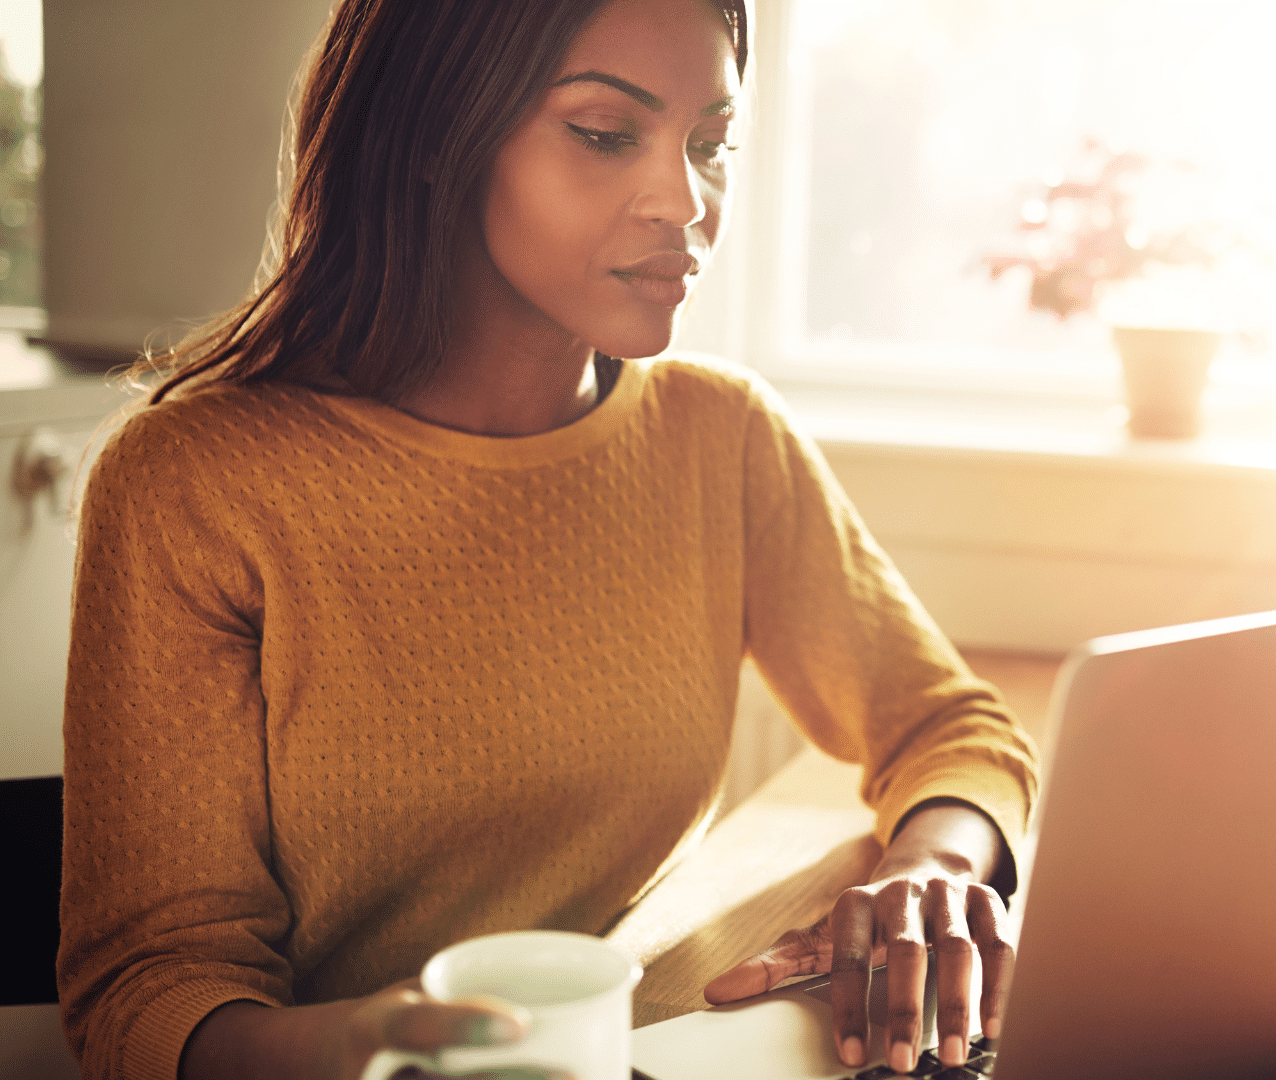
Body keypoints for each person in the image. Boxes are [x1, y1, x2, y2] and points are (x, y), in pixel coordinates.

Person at [54, 1, 1039, 1078]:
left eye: (711, 144)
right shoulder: (196, 484)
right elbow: (145, 996)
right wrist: (379, 1050)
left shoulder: (721, 437)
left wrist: (933, 869)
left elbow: (951, 728)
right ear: (438, 134)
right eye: (606, 133)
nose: (688, 199)